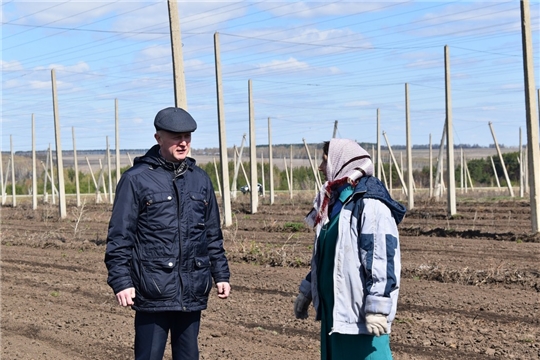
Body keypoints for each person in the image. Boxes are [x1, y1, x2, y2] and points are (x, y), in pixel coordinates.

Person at [104, 107, 231, 360]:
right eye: (175, 136)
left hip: (192, 288)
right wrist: (121, 281)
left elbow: (211, 235)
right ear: (158, 138)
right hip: (152, 289)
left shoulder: (200, 180)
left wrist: (221, 274)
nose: (183, 142)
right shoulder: (136, 179)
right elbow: (120, 236)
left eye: (187, 136)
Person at [293, 139, 406, 360]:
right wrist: (308, 290)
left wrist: (378, 308)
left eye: (325, 161)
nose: (321, 167)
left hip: (361, 319)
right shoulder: (335, 205)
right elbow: (329, 258)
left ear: (341, 161)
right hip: (336, 316)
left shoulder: (370, 203)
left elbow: (381, 256)